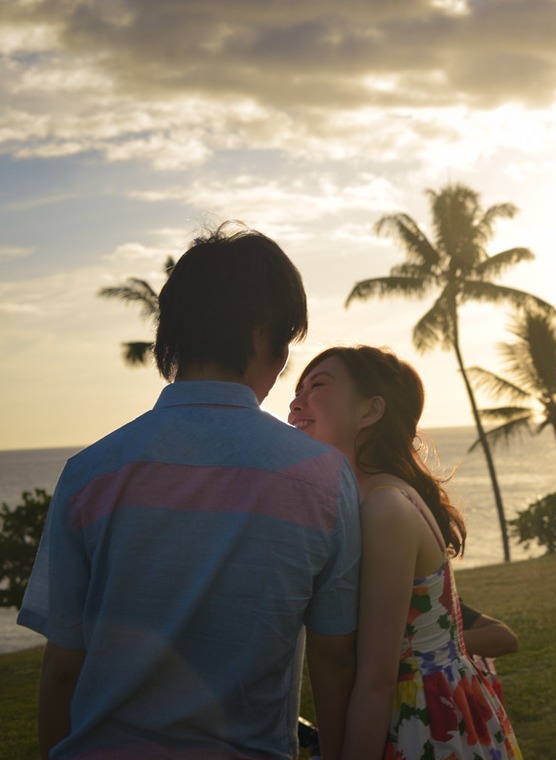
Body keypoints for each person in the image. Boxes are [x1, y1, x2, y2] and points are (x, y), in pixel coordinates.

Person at [18, 223, 361, 760]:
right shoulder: (318, 476)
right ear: (260, 333)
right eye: (285, 346)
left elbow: (64, 665)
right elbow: (335, 658)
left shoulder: (90, 472)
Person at [289, 345, 523, 759]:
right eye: (297, 388)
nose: (295, 401)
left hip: (422, 724)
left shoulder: (384, 508)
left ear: (369, 411)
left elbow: (376, 678)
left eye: (317, 385)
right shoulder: (371, 500)